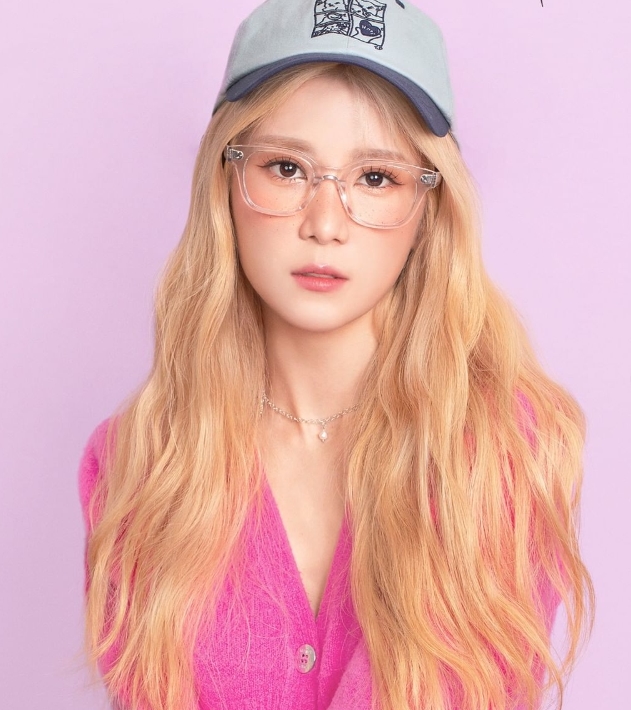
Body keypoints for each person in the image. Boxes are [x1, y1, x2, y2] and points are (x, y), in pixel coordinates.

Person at [78, 1, 593, 709]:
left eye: (375, 178)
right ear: (226, 183)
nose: (325, 224)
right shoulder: (138, 465)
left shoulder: (505, 454)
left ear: (428, 206)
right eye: (287, 168)